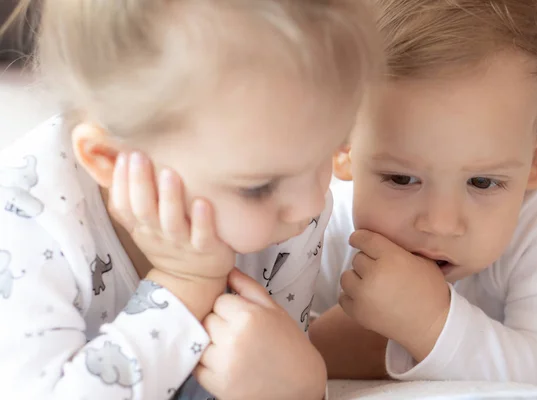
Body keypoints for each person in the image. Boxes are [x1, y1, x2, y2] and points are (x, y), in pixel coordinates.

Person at [0, 1, 380, 399]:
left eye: (328, 152)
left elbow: (263, 373)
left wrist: (298, 384)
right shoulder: (26, 223)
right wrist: (184, 287)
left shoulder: (291, 209)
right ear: (110, 161)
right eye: (258, 187)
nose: (311, 204)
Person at [310, 0, 537, 386]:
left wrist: (429, 324)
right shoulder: (319, 222)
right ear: (342, 146)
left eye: (482, 182)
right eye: (401, 179)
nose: (440, 224)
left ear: (536, 157)